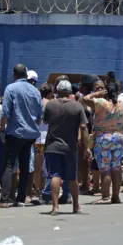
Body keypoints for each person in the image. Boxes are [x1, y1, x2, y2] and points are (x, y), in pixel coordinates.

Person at [0, 64, 43, 208]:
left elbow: (5, 113)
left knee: (9, 164)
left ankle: (4, 199)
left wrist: (2, 131)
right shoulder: (35, 91)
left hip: (15, 132)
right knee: (24, 164)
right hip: (30, 134)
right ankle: (21, 198)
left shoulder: (11, 88)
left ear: (14, 74)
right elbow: (40, 116)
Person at [43, 80, 89, 215]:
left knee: (55, 175)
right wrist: (86, 147)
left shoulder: (50, 104)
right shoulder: (77, 106)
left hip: (52, 145)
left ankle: (55, 207)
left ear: (57, 91)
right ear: (70, 92)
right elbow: (83, 127)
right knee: (72, 177)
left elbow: (45, 121)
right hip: (70, 146)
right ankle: (76, 206)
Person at [81, 81, 123, 204]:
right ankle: (116, 196)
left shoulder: (102, 103)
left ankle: (106, 196)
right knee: (116, 167)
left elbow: (84, 99)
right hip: (119, 137)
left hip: (104, 137)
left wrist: (96, 93)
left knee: (105, 168)